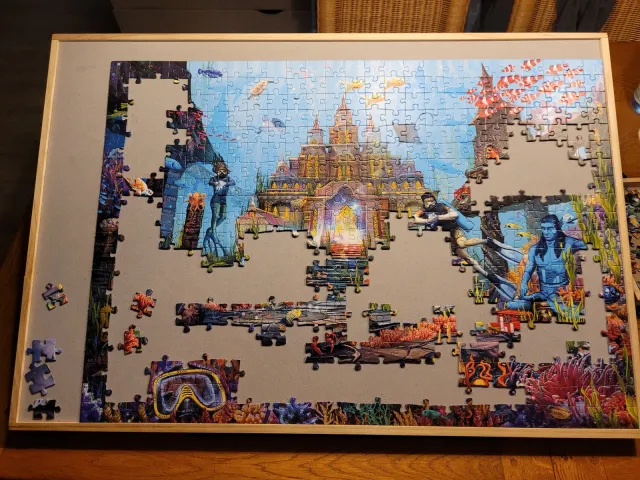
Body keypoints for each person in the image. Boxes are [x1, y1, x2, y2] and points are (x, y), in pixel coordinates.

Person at [506, 214, 586, 314]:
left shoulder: (568, 242)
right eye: (543, 229)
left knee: (573, 312)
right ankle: (543, 304)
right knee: (511, 304)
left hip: (562, 293)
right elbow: (528, 270)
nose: (546, 232)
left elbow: (587, 244)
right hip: (543, 293)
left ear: (557, 228)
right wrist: (523, 283)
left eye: (550, 228)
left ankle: (552, 306)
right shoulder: (535, 249)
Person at [203, 162, 235, 256]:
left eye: (223, 170)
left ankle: (210, 231)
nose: (221, 172)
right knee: (215, 215)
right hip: (216, 199)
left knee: (223, 217)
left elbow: (233, 182)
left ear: (226, 171)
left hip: (223, 200)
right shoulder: (214, 178)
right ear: (216, 171)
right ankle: (213, 231)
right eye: (219, 170)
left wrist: (225, 184)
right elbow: (210, 182)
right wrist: (216, 183)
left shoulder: (228, 179)